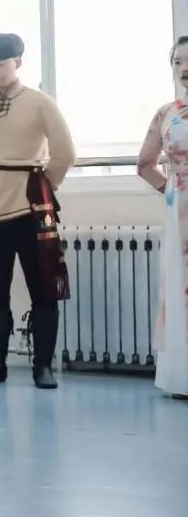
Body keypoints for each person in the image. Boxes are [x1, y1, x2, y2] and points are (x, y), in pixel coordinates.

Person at [0, 33, 75, 389]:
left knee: (43, 290)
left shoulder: (40, 103)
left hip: (34, 211)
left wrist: (43, 185)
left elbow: (65, 153)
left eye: (0, 62)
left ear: (18, 62)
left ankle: (43, 367)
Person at [136, 34, 188, 400]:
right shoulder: (166, 112)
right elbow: (145, 164)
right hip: (181, 208)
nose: (184, 68)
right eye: (177, 62)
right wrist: (171, 190)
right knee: (182, 284)